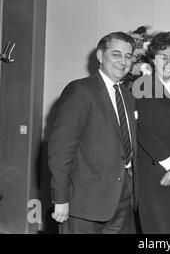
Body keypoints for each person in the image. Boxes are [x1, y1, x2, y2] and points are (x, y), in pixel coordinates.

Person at [48, 31, 137, 234]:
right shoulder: (80, 91)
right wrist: (60, 199)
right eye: (116, 54)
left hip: (122, 201)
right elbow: (60, 150)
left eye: (128, 56)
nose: (122, 61)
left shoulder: (127, 97)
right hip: (84, 204)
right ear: (100, 55)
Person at [134, 31, 170, 234]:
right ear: (153, 59)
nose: (168, 62)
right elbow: (143, 132)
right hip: (154, 173)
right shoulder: (140, 88)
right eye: (163, 56)